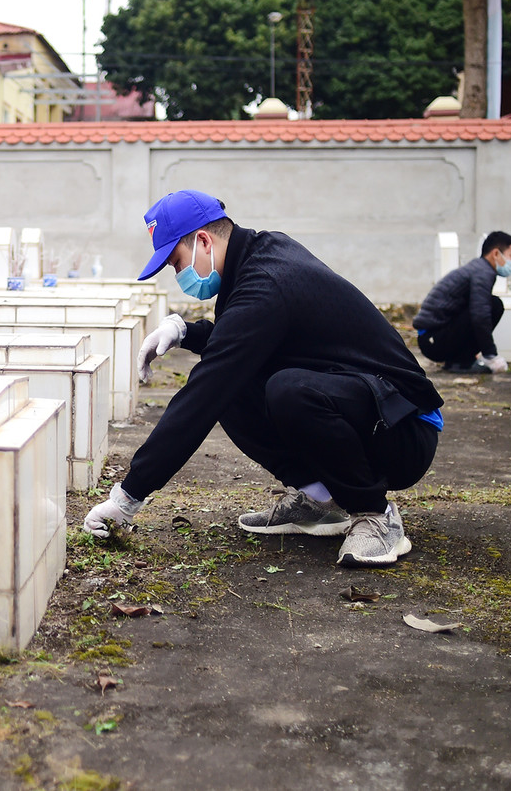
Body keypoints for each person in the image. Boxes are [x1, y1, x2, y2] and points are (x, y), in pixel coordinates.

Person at [82, 190, 444, 567]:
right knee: (235, 387)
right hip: (366, 403)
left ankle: (374, 515)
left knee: (278, 390)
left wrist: (128, 496)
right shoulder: (258, 254)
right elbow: (245, 339)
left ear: (202, 241)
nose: (178, 275)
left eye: (176, 263)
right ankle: (320, 499)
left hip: (403, 427)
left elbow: (204, 392)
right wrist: (186, 332)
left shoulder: (265, 280)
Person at [413, 232, 511, 375]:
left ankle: (459, 360)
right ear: (496, 253)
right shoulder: (482, 272)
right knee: (494, 305)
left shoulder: (478, 268)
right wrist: (491, 355)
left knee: (489, 304)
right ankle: (461, 363)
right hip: (433, 341)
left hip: (431, 339)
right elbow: (480, 316)